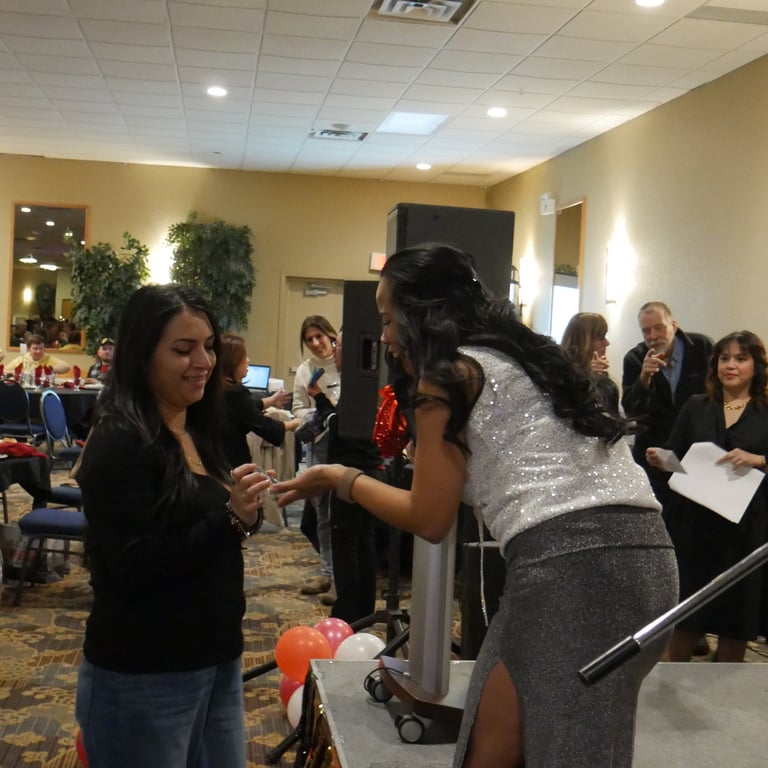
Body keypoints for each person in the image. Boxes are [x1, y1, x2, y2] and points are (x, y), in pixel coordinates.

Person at [273, 243, 678, 768]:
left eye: (389, 320)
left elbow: (429, 518)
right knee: (495, 739)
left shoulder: (447, 376)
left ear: (423, 314)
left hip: (570, 571)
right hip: (644, 559)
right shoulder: (529, 360)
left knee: (568, 752)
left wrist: (340, 478)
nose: (386, 337)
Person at [74, 284, 272, 768]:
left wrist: (245, 512)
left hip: (216, 657)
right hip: (145, 672)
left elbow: (217, 529)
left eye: (209, 346)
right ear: (142, 356)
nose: (203, 361)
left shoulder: (197, 428)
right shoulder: (120, 441)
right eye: (183, 350)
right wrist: (229, 519)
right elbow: (132, 566)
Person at [646, 330, 768, 663]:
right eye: (724, 358)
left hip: (745, 531)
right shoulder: (697, 405)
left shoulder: (764, 410)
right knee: (685, 619)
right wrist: (661, 458)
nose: (731, 365)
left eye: (741, 358)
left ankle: (724, 691)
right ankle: (673, 687)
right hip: (693, 527)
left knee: (734, 624)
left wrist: (758, 459)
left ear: (756, 366)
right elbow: (675, 454)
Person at [305, 330, 384, 617]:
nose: (333, 350)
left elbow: (342, 428)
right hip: (368, 471)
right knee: (362, 542)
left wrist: (321, 403)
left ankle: (347, 614)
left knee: (347, 544)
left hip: (350, 474)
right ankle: (362, 611)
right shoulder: (368, 383)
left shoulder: (355, 386)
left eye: (337, 345)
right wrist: (321, 398)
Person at [621, 302, 712, 507]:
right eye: (646, 331)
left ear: (674, 325)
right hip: (654, 454)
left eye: (659, 327)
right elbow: (631, 410)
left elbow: (718, 394)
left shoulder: (701, 347)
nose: (653, 336)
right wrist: (644, 379)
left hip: (694, 452)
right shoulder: (634, 358)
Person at [292, 315, 340, 596]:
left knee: (340, 514)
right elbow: (298, 409)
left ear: (330, 335)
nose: (315, 343)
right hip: (318, 444)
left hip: (344, 445)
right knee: (322, 513)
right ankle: (327, 573)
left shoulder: (345, 362)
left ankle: (339, 580)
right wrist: (319, 413)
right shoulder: (305, 369)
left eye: (318, 336)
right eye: (308, 339)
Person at [219, 332, 297, 468]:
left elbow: (247, 407)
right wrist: (296, 422)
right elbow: (264, 426)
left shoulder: (219, 388)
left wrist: (272, 400)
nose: (248, 360)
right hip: (231, 460)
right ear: (232, 361)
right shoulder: (235, 393)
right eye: (244, 356)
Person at [561, 311, 619, 412]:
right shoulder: (563, 374)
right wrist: (586, 379)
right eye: (601, 338)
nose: (607, 343)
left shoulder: (600, 372)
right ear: (582, 341)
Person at [6, 333, 71, 374]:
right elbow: (5, 371)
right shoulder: (22, 359)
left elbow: (66, 367)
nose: (38, 351)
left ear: (44, 348)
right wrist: (20, 373)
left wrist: (48, 370)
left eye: (41, 348)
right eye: (35, 348)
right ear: (29, 349)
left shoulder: (49, 358)